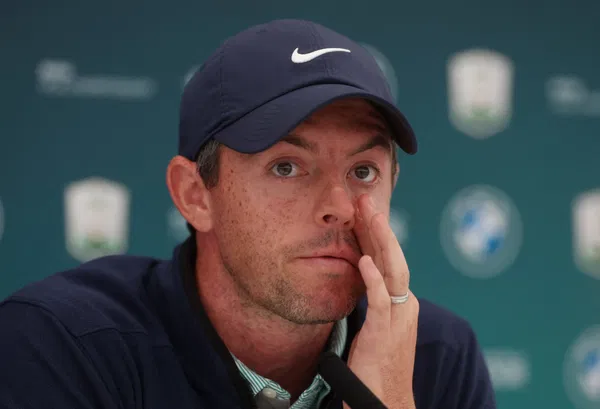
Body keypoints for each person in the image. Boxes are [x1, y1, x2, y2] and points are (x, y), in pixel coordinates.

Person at [0, 19, 496, 409]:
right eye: (287, 167)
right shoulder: (64, 346)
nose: (340, 208)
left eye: (363, 171)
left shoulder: (437, 356)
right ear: (195, 195)